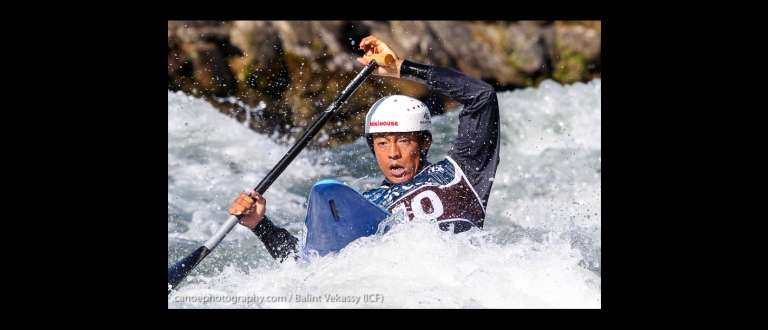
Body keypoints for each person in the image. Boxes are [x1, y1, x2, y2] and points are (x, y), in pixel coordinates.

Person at [229, 35, 500, 262]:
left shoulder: (461, 173)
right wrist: (260, 225)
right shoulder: (366, 206)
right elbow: (310, 264)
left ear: (425, 142)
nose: (392, 152)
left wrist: (401, 68)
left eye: (404, 140)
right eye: (382, 143)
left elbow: (481, 97)